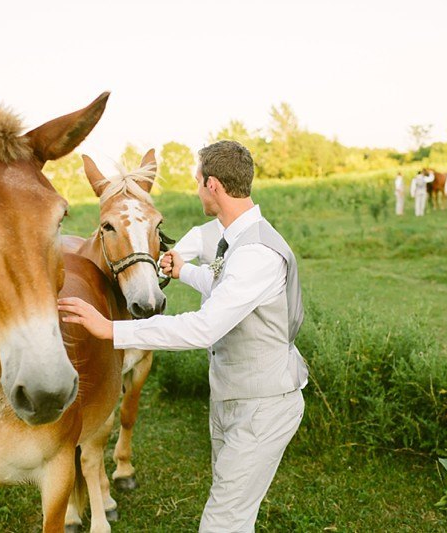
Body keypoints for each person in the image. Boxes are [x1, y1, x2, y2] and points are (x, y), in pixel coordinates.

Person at [58, 140, 308, 532]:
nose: (194, 189)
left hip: (262, 405)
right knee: (236, 511)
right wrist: (184, 272)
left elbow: (204, 327)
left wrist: (111, 329)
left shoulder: (257, 252)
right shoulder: (237, 238)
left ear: (213, 186)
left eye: (196, 181)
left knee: (221, 522)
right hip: (234, 397)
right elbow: (227, 285)